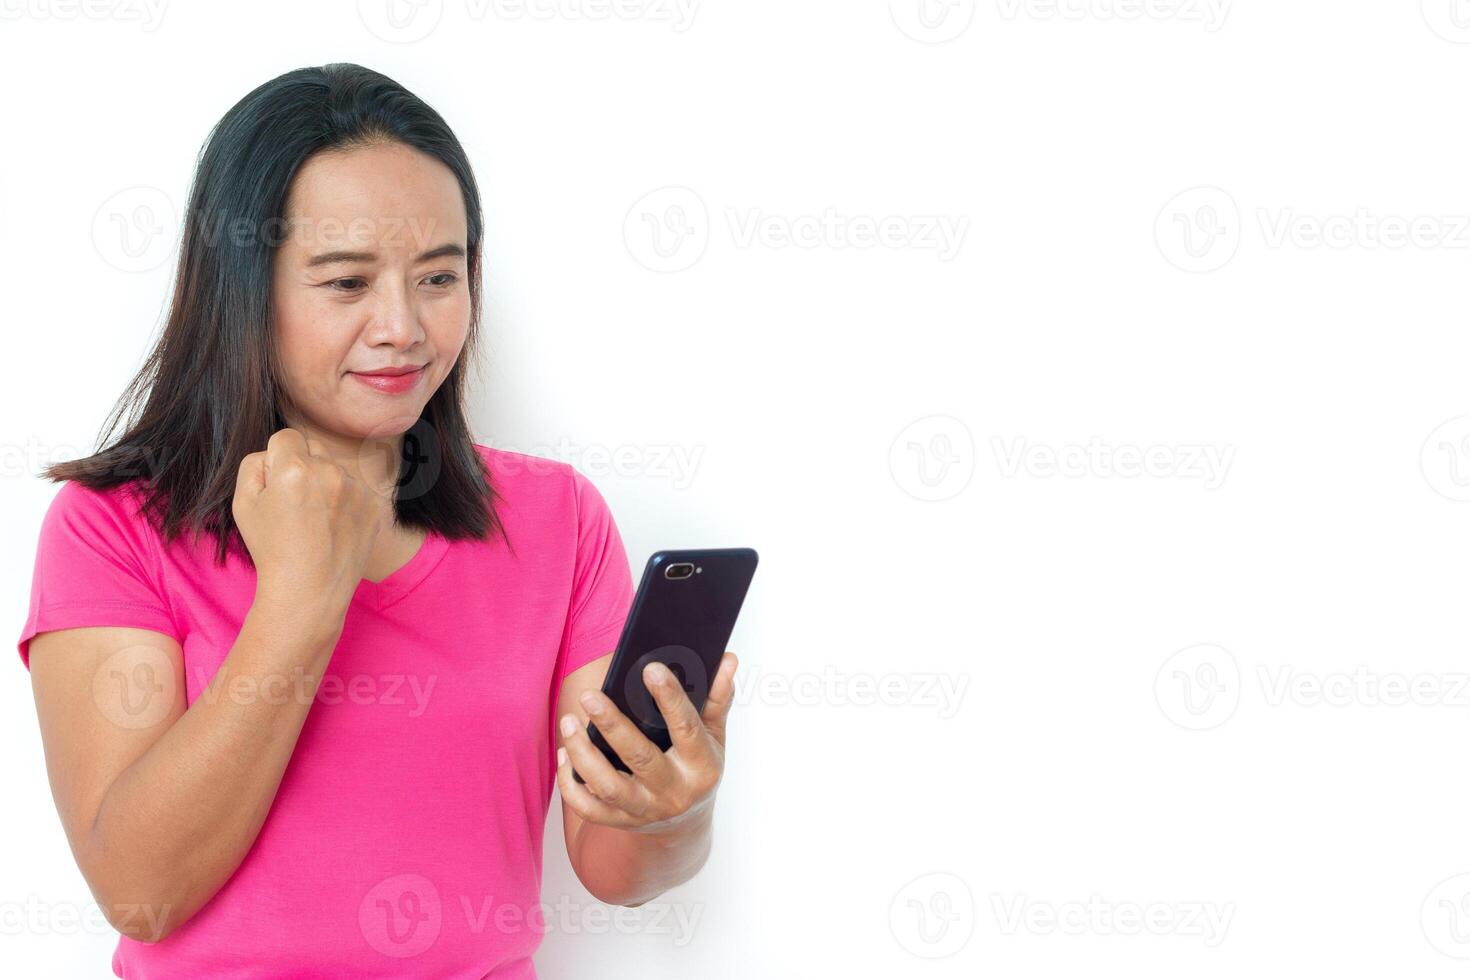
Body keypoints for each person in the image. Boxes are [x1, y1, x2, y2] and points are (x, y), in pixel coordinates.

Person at [16, 62, 736, 979]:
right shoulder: (110, 527)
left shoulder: (558, 521)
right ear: (247, 291)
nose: (403, 327)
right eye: (346, 283)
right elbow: (140, 890)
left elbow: (615, 872)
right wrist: (305, 593)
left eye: (439, 277)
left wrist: (673, 809)